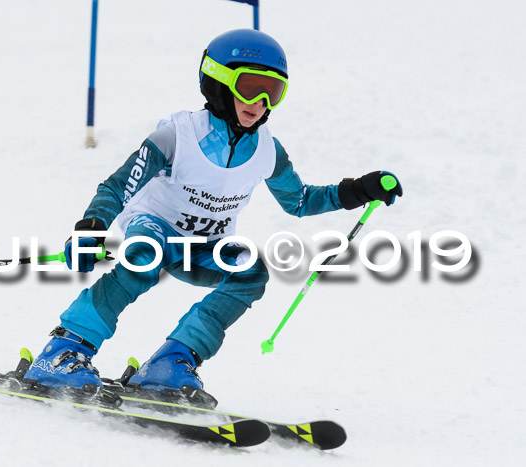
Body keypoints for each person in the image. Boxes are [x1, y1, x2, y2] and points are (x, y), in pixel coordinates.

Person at [20, 29, 403, 397]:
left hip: (206, 245)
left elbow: (299, 201)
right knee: (145, 255)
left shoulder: (268, 150)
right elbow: (119, 186)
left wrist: (360, 190)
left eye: (273, 92)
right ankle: (64, 351)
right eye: (250, 88)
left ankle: (171, 362)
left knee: (250, 272)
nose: (260, 104)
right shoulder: (177, 136)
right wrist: (93, 227)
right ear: (217, 82)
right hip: (156, 227)